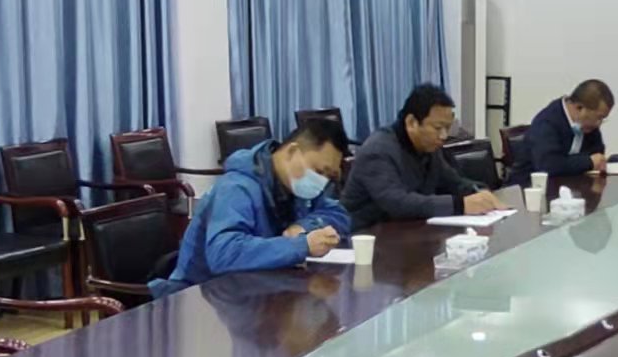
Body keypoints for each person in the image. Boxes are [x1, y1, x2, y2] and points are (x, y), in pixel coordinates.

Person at [149, 119, 351, 296]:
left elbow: (338, 214)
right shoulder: (237, 187)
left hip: (260, 290)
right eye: (319, 171)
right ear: (291, 152)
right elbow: (224, 254)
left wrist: (305, 226)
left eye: (329, 176)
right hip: (202, 297)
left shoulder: (295, 185)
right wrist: (301, 245)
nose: (321, 182)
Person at [341, 83, 504, 227]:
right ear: (411, 122)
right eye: (438, 128)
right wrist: (460, 205)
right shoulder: (378, 150)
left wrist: (479, 191)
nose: (443, 136)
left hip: (408, 232)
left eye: (447, 128)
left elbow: (453, 182)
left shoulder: (430, 148)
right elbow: (398, 203)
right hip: (365, 237)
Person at [510, 79, 615, 180]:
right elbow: (548, 166)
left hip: (571, 186)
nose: (599, 123)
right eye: (599, 117)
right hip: (529, 186)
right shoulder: (547, 122)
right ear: (579, 107)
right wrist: (588, 162)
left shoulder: (588, 126)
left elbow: (597, 154)